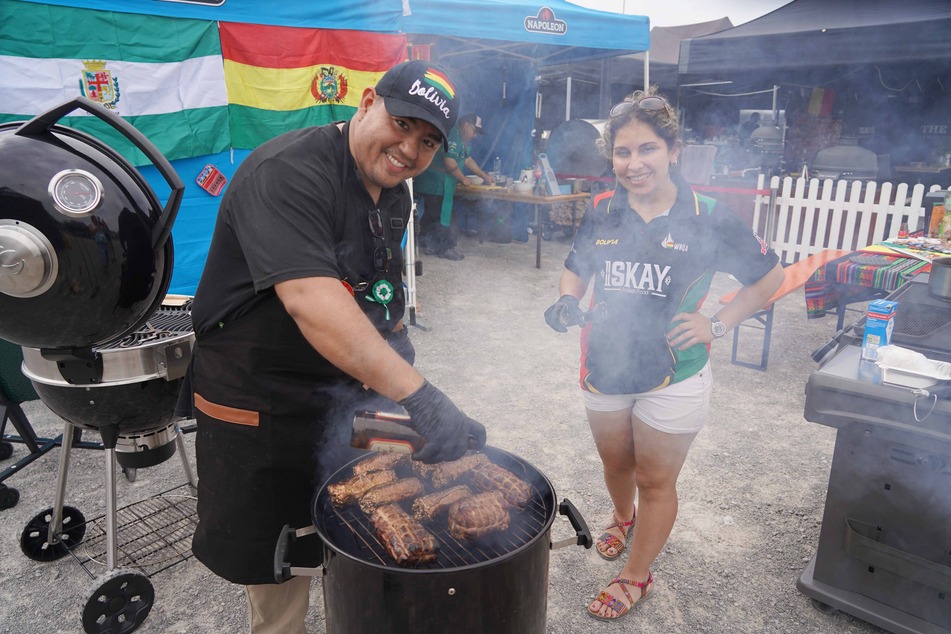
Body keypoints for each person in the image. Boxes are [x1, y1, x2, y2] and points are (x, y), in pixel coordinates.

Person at [183, 60, 487, 634]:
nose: (409, 149)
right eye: (402, 123)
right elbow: (311, 299)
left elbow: (376, 291)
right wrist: (420, 397)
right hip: (259, 398)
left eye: (427, 141)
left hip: (340, 394)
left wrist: (402, 360)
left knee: (361, 527)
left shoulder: (393, 191)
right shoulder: (288, 171)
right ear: (367, 101)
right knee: (279, 562)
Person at [543, 88, 783, 622]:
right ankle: (621, 518)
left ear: (674, 150)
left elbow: (771, 278)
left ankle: (635, 575)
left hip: (675, 374)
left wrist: (715, 323)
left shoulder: (710, 216)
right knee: (616, 464)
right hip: (603, 365)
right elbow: (576, 266)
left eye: (647, 149)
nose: (633, 164)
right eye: (623, 153)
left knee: (655, 479)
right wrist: (566, 297)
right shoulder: (603, 209)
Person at [414, 112, 493, 260]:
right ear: (466, 126)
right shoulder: (453, 134)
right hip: (435, 182)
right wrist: (463, 179)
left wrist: (484, 176)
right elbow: (449, 161)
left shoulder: (460, 138)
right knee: (446, 217)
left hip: (435, 182)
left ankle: (426, 242)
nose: (475, 135)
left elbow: (467, 160)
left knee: (433, 214)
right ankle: (445, 248)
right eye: (474, 131)